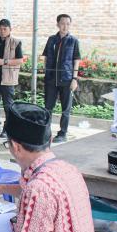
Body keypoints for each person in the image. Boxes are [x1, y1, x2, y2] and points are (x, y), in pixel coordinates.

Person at [0, 102, 95, 232]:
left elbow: (38, 193)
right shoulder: (69, 170)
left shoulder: (38, 189)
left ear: (16, 147)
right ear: (50, 140)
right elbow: (40, 195)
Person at [42, 14, 81, 143]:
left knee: (66, 109)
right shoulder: (51, 39)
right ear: (58, 24)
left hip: (67, 79)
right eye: (63, 23)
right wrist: (46, 73)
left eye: (68, 24)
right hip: (51, 79)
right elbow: (46, 57)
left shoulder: (73, 41)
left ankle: (62, 133)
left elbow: (76, 60)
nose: (65, 26)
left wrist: (74, 79)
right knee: (48, 107)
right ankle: (46, 133)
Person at [0, 19, 23, 138]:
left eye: (4, 29)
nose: (2, 31)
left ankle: (7, 129)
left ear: (10, 29)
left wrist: (5, 61)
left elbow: (20, 60)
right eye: (0, 29)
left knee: (8, 105)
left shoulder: (16, 42)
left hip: (7, 78)